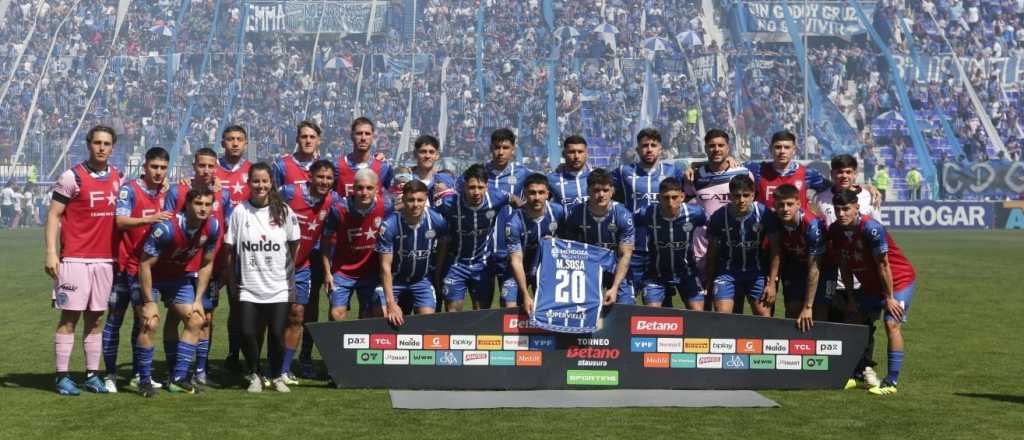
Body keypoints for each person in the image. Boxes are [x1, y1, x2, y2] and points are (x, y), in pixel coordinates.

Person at [45, 125, 122, 396]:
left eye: (107, 143)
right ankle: (62, 376)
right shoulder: (71, 177)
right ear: (88, 145)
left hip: (105, 261)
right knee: (69, 319)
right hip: (75, 259)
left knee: (96, 319)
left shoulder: (118, 177)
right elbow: (54, 215)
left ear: (113, 147)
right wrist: (51, 252)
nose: (102, 147)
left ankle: (92, 375)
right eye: (97, 142)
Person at [828, 189, 917, 396]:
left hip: (898, 281)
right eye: (838, 209)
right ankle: (855, 374)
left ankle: (891, 382)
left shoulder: (871, 228)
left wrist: (889, 298)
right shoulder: (835, 230)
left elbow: (884, 265)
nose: (841, 214)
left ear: (856, 207)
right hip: (872, 284)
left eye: (846, 209)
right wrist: (850, 298)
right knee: (853, 319)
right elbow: (845, 266)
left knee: (891, 322)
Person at [223, 163, 300, 393]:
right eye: (256, 181)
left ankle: (276, 376)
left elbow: (295, 244)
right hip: (248, 285)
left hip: (278, 286)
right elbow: (230, 250)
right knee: (247, 332)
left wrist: (286, 271)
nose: (260, 185)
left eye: (265, 181)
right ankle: (255, 373)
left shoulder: (284, 211)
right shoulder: (240, 211)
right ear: (249, 183)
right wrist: (231, 281)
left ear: (271, 183)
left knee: (277, 334)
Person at [102, 147, 173, 395]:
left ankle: (137, 374)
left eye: (163, 168)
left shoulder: (166, 193)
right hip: (124, 266)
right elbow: (120, 222)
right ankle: (110, 374)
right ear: (145, 167)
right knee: (114, 319)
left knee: (141, 321)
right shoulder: (129, 189)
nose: (158, 172)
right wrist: (149, 219)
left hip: (145, 269)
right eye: (154, 167)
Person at [138, 187, 220, 394]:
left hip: (177, 278)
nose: (203, 209)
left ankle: (177, 378)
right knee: (151, 322)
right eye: (198, 204)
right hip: (151, 277)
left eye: (208, 205)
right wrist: (149, 302)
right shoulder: (166, 228)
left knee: (196, 319)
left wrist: (198, 299)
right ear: (188, 205)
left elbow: (207, 264)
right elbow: (145, 264)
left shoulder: (212, 226)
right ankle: (144, 380)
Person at [164, 148, 233, 386]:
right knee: (174, 316)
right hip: (181, 266)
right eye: (202, 165)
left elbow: (225, 227)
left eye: (211, 166)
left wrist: (223, 263)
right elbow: (170, 225)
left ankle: (201, 370)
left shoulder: (222, 195)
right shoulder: (178, 190)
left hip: (209, 264)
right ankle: (174, 369)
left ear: (217, 168)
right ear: (193, 166)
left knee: (206, 317)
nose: (206, 170)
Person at [814, 154, 882, 388]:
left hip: (862, 270)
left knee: (864, 321)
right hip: (832, 269)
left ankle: (864, 367)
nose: (843, 175)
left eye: (848, 172)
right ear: (832, 174)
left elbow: (877, 233)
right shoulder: (821, 198)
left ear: (855, 173)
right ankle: (839, 368)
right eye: (838, 172)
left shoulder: (868, 197)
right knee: (835, 316)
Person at [611, 128, 685, 307]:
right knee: (624, 302)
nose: (649, 149)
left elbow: (691, 188)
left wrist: (694, 168)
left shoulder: (673, 171)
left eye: (654, 145)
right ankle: (623, 335)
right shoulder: (623, 172)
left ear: (661, 149)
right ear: (637, 150)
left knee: (661, 304)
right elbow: (597, 183)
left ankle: (665, 335)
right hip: (633, 248)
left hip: (662, 249)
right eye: (645, 146)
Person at [279, 160, 338, 382]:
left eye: (329, 178)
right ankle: (260, 365)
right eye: (320, 177)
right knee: (270, 316)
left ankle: (285, 369)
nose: (324, 181)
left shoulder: (333, 200)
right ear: (310, 177)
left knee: (298, 314)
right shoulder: (288, 192)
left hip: (302, 265)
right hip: (274, 265)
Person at [435, 164, 512, 311]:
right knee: (452, 313)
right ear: (464, 186)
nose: (476, 192)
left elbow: (515, 200)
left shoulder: (497, 197)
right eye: (472, 187)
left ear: (486, 186)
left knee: (481, 316)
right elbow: (427, 213)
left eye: (480, 187)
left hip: (483, 265)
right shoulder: (448, 203)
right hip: (456, 265)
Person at [322, 168, 392, 320]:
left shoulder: (385, 206)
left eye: (369, 188)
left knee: (373, 315)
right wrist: (327, 273)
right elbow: (326, 242)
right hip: (343, 272)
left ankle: (361, 344)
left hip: (370, 272)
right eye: (360, 188)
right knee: (336, 315)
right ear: (353, 189)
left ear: (377, 189)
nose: (364, 192)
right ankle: (337, 344)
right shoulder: (338, 209)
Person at [377, 180, 449, 326]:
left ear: (426, 200)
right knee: (384, 316)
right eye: (411, 200)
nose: (415, 204)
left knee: (427, 321)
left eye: (420, 200)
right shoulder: (389, 225)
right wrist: (391, 304)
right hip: (395, 280)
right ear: (403, 199)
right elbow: (385, 267)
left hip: (421, 280)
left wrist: (437, 272)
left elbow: (444, 242)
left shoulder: (437, 221)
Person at [559, 168, 635, 305]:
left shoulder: (623, 215)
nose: (601, 195)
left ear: (612, 191)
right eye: (596, 190)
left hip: (615, 269)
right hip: (587, 270)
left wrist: (614, 287)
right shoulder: (576, 213)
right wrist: (553, 242)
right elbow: (569, 247)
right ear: (588, 191)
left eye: (605, 190)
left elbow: (626, 254)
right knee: (585, 310)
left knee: (626, 308)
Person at [704, 175, 778, 316]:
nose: (741, 200)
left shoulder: (764, 214)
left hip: (756, 272)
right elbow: (712, 252)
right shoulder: (718, 217)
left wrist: (772, 283)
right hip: (727, 272)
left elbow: (775, 250)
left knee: (764, 316)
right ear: (730, 196)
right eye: (737, 196)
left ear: (753, 195)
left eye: (746, 195)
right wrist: (709, 279)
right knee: (723, 316)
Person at [766, 184, 832, 330]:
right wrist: (771, 282)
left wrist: (808, 306)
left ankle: (819, 350)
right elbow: (776, 251)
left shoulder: (812, 226)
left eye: (790, 204)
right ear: (774, 205)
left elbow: (814, 269)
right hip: (794, 264)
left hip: (823, 267)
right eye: (781, 205)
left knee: (819, 311)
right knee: (792, 308)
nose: (785, 209)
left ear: (798, 203)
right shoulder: (773, 219)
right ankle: (794, 350)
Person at [635, 177, 707, 309]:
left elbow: (713, 227)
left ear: (682, 196)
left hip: (687, 273)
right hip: (656, 275)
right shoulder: (646, 213)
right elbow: (626, 226)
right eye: (666, 197)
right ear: (658, 198)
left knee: (698, 315)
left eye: (674, 197)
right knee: (652, 315)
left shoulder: (695, 213)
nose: (670, 202)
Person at [214, 125, 252, 372]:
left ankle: (234, 354)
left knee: (239, 307)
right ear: (223, 143)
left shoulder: (254, 172)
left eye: (239, 139)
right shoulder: (211, 169)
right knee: (207, 309)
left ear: (246, 143)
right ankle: (198, 366)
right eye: (230, 139)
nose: (235, 143)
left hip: (245, 251)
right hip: (214, 249)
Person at [506, 173, 566, 312]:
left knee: (550, 309)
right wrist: (526, 295)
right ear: (525, 193)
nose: (537, 197)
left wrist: (557, 241)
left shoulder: (558, 211)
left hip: (544, 269)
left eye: (541, 192)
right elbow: (516, 260)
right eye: (532, 193)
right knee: (510, 309)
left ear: (547, 194)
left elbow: (569, 239)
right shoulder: (514, 221)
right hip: (518, 269)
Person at [335, 117, 393, 198]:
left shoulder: (384, 168)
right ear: (352, 136)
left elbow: (394, 197)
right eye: (359, 133)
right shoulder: (337, 167)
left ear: (373, 137)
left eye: (367, 134)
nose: (363, 138)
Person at [547, 135, 591, 211]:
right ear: (563, 154)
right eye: (572, 152)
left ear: (586, 154)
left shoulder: (597, 177)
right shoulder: (551, 179)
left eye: (580, 152)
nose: (576, 156)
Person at [272, 120, 321, 187]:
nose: (308, 141)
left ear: (318, 141)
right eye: (304, 137)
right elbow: (274, 195)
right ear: (297, 139)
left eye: (312, 137)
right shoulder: (281, 166)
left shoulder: (326, 166)